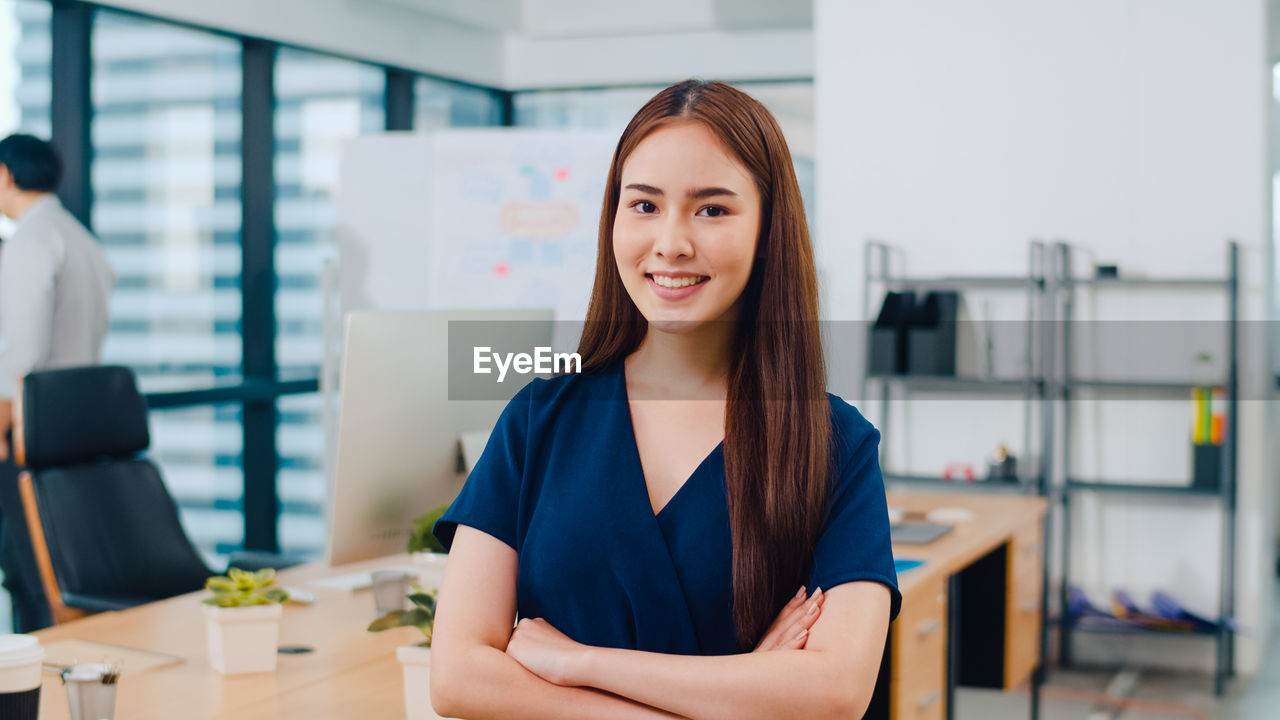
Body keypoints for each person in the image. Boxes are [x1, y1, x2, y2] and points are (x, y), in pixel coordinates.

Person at [430, 80, 899, 719]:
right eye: (644, 205)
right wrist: (739, 692)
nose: (671, 242)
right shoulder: (539, 421)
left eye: (712, 210)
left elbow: (835, 691)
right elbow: (458, 675)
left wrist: (579, 663)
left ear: (767, 231)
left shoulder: (834, 444)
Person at [0, 133, 114, 632]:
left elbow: (21, 346)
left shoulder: (31, 240)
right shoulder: (79, 236)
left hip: (31, 429)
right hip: (76, 424)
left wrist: (1, 415)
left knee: (33, 574)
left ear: (5, 174)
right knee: (58, 562)